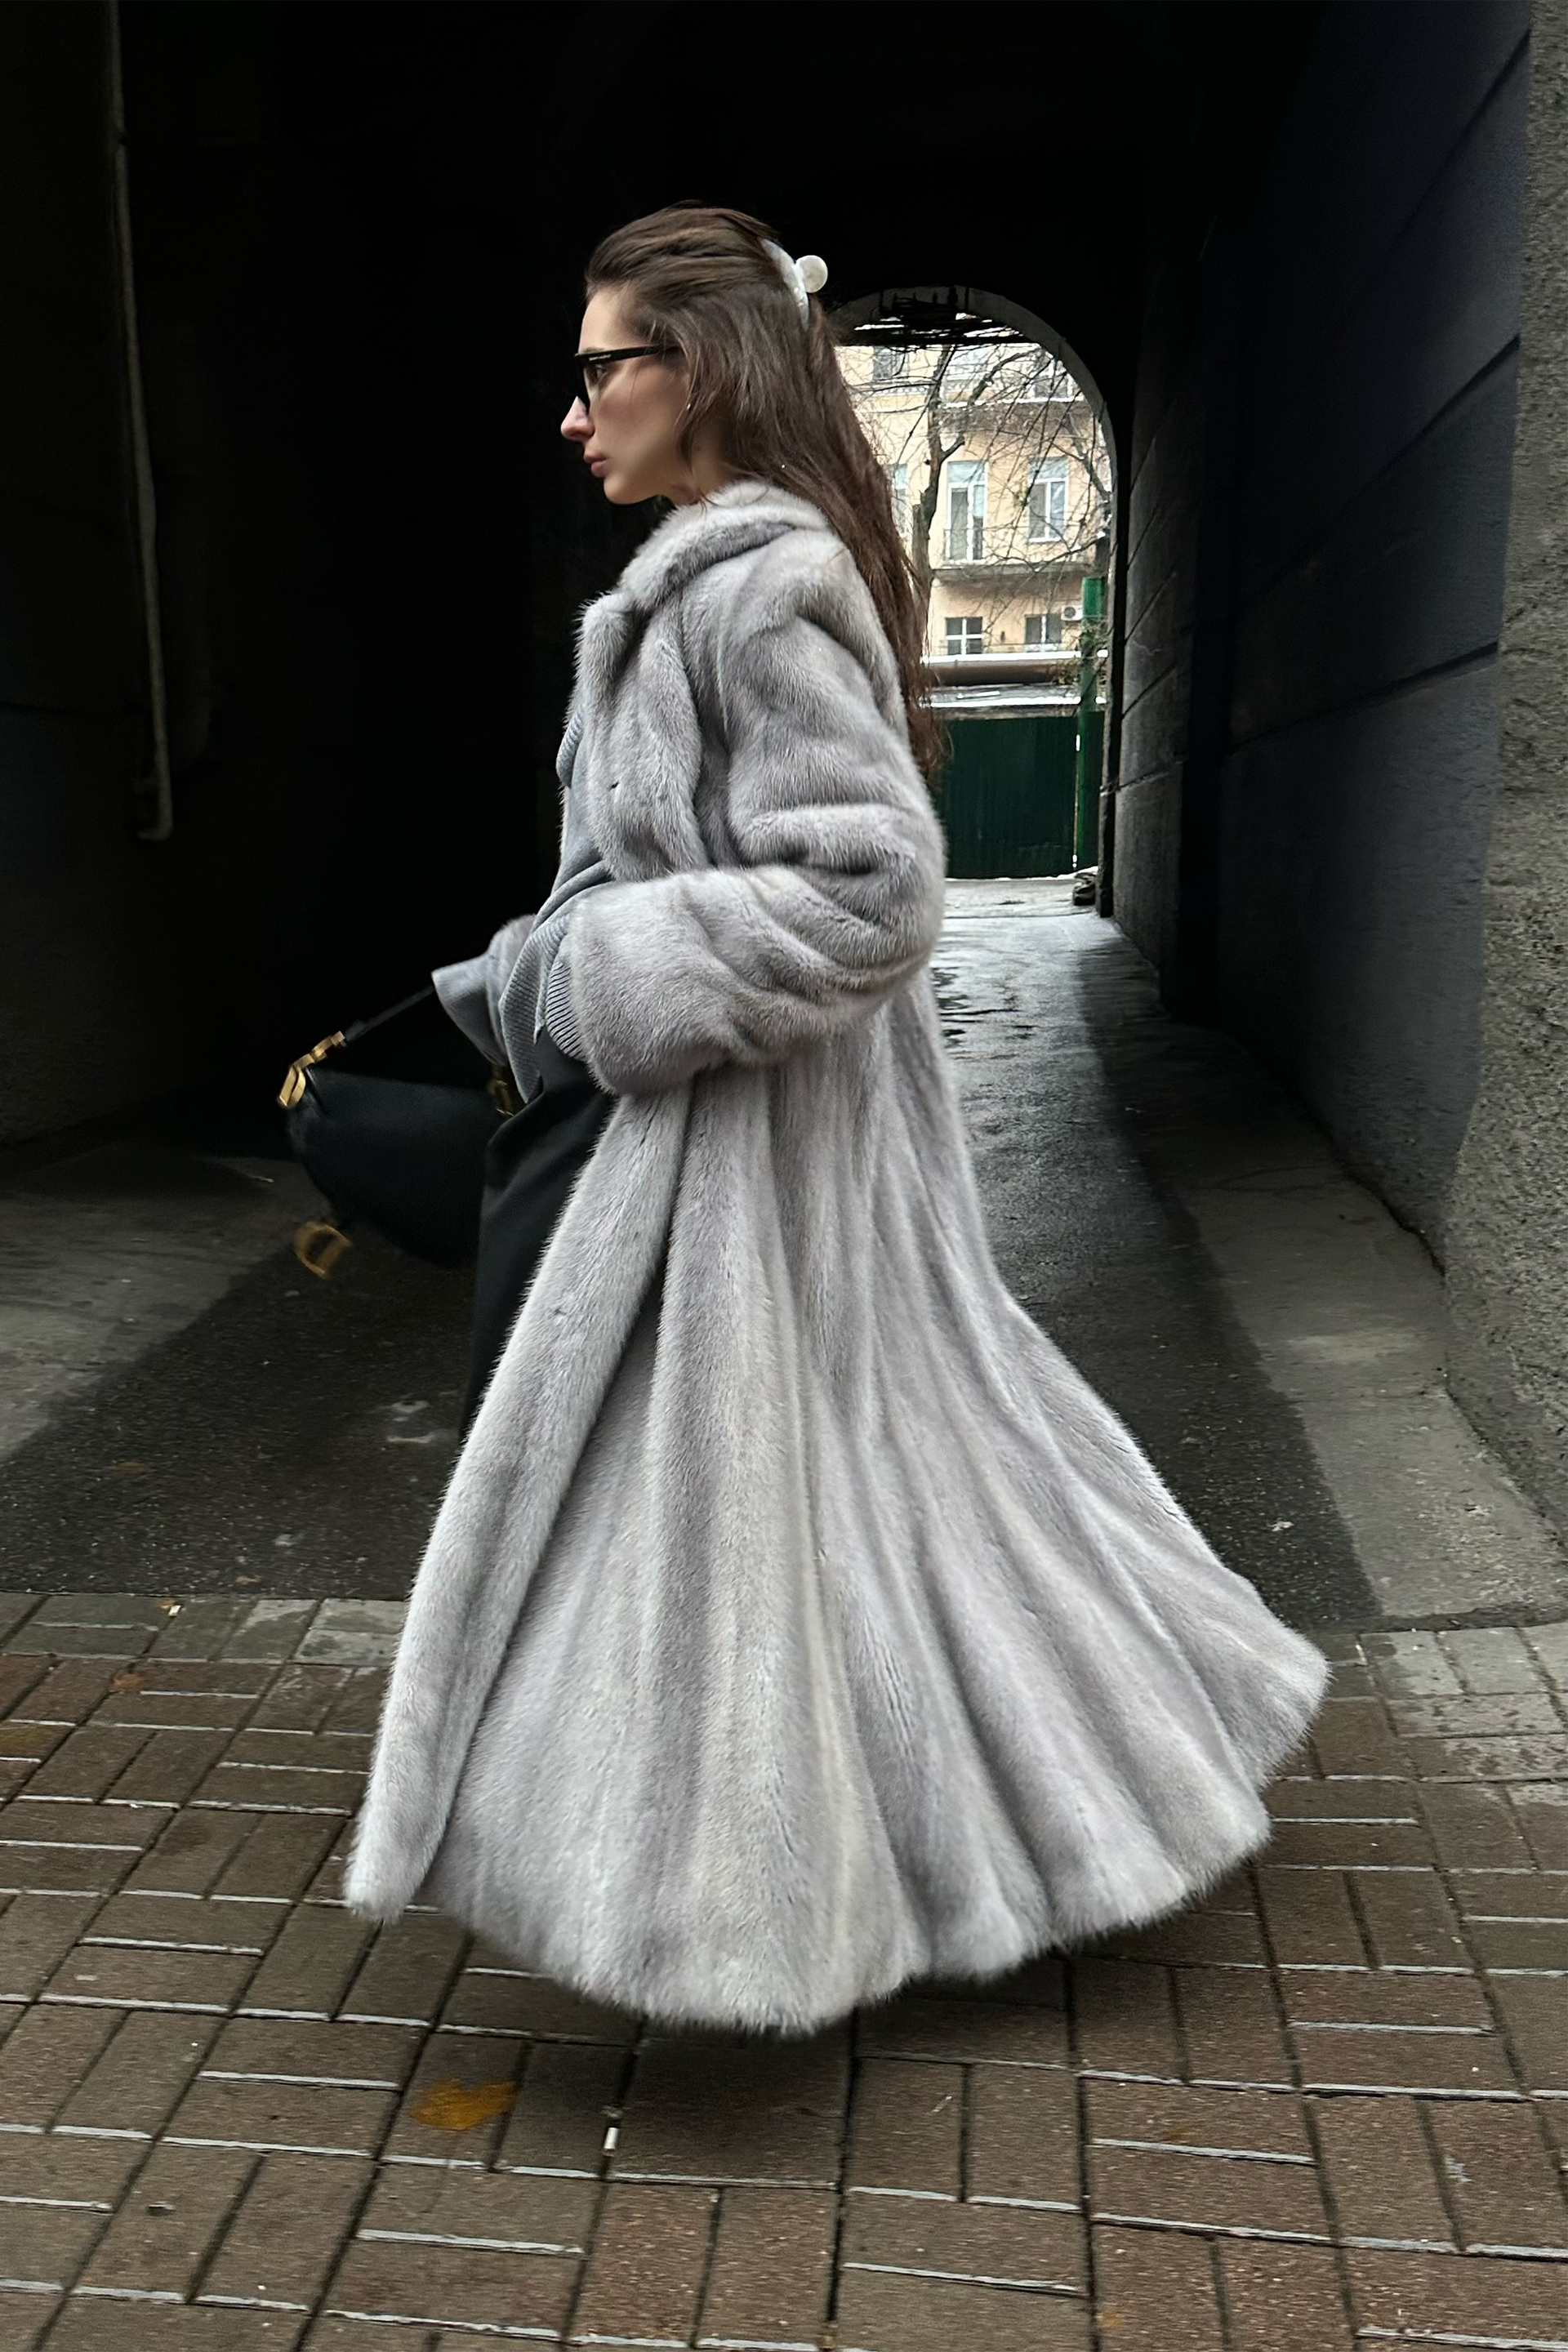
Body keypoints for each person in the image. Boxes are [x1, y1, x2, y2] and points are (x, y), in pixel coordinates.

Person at [345, 204, 1326, 2035]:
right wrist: (521, 980)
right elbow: (655, 874)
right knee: (880, 1483)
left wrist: (604, 977)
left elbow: (873, 890)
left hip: (757, 1146)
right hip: (756, 1127)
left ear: (703, 370)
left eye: (598, 370)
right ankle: (1036, 1806)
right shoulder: (705, 585)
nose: (572, 413)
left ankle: (732, 1905)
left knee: (738, 1511)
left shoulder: (754, 591)